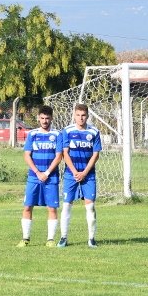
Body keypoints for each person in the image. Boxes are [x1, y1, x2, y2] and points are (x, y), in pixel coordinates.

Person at [18, 105, 63, 247]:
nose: (44, 121)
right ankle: (25, 238)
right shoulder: (32, 134)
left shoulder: (57, 135)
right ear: (38, 118)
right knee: (27, 206)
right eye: (42, 118)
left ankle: (50, 239)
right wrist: (38, 172)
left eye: (47, 118)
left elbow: (59, 156)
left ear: (51, 119)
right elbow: (26, 155)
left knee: (52, 208)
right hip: (33, 177)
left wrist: (47, 173)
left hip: (51, 178)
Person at [60, 103, 102, 248]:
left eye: (83, 115)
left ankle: (91, 238)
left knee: (90, 207)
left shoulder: (94, 132)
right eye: (78, 115)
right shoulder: (67, 131)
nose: (80, 118)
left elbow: (96, 154)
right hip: (70, 174)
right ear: (74, 115)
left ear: (87, 116)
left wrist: (84, 173)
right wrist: (75, 172)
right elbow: (65, 153)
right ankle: (63, 237)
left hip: (88, 175)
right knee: (66, 206)